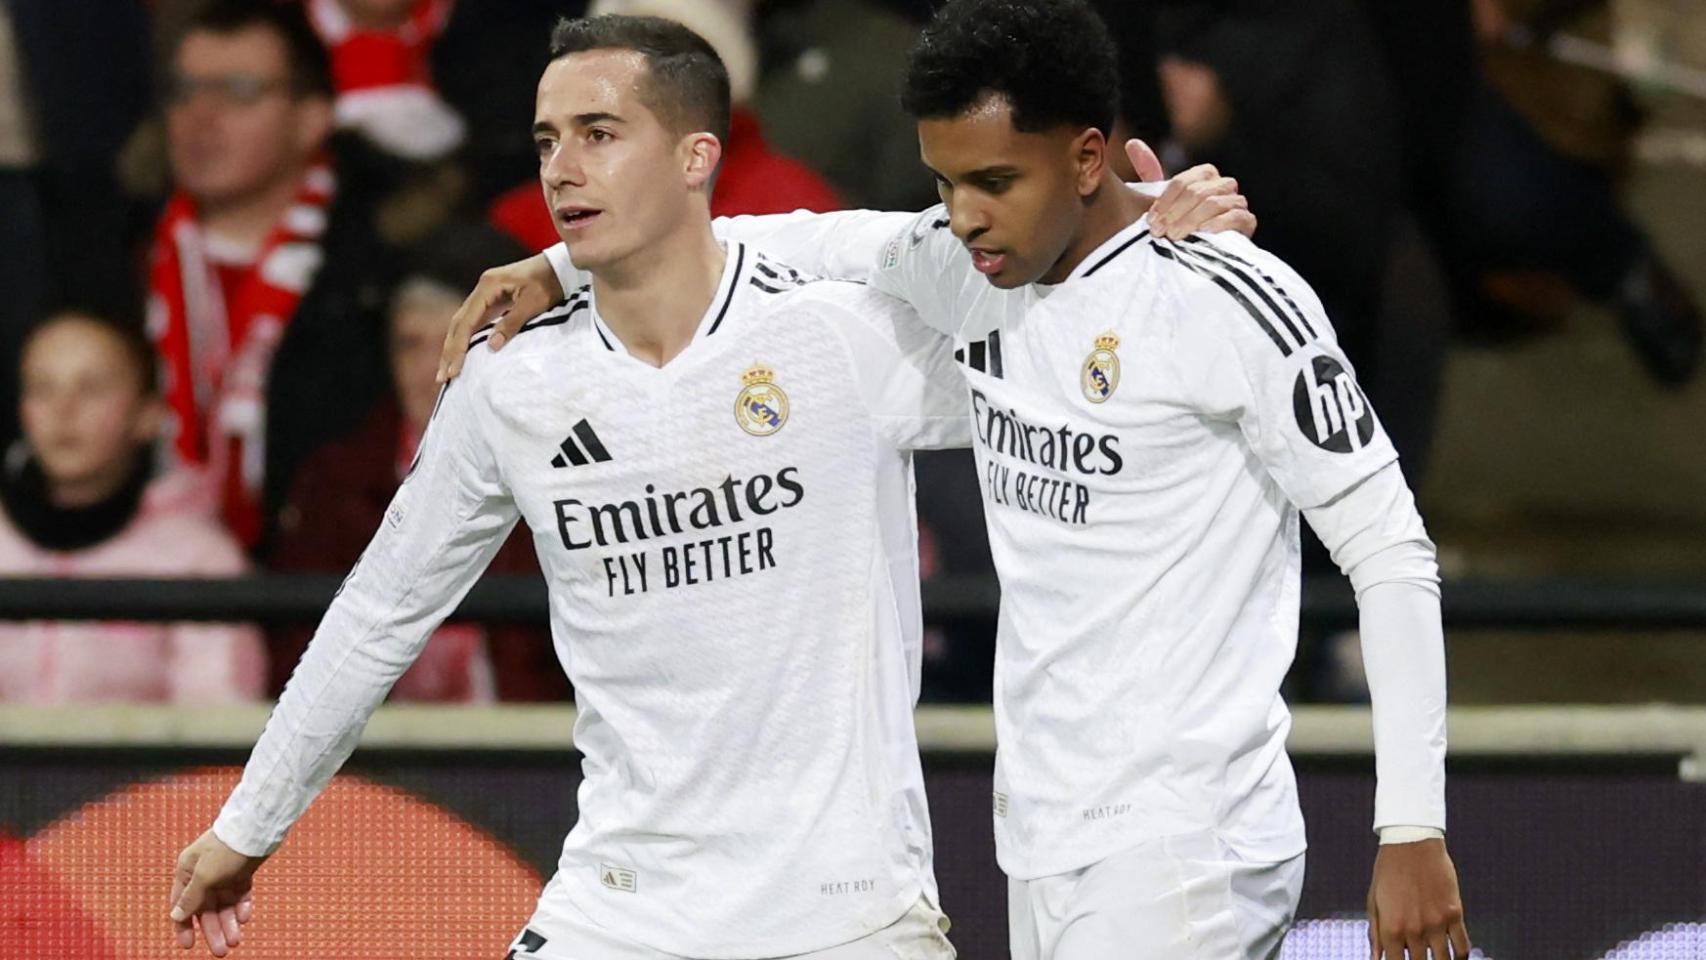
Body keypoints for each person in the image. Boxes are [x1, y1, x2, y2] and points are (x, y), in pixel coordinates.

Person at [441, 2, 1469, 957]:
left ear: (1083, 157)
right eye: (942, 183)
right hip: (1042, 836)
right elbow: (782, 240)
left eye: (993, 183)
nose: (962, 217)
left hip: (1187, 842)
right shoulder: (967, 272)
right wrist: (562, 267)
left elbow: (1388, 551)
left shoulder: (1221, 297)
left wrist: (1410, 826)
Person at [267, 224, 567, 703]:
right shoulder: (336, 484)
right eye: (409, 343)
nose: (433, 369)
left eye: (463, 339)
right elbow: (295, 664)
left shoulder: (581, 470)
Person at [149, 0, 394, 549]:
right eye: (184, 91)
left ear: (312, 117)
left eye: (237, 92)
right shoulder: (110, 254)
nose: (200, 116)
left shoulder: (377, 273)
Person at [0, 310, 265, 703]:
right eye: (42, 388)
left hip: (144, 768)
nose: (63, 409)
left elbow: (219, 722)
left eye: (91, 388)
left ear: (149, 414)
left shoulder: (199, 557)